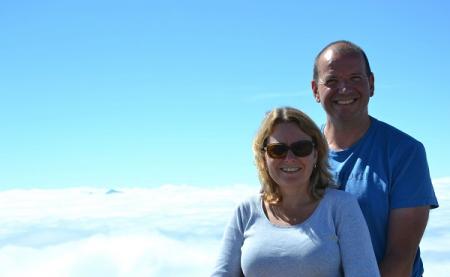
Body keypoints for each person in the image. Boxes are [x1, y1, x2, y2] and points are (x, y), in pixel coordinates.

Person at [310, 40, 439, 277]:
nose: (345, 89)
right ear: (315, 91)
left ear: (371, 84)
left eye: (355, 78)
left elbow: (400, 259)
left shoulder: (404, 152)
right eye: (332, 81)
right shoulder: (300, 153)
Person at [211, 107, 380, 277]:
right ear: (264, 158)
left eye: (301, 148)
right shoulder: (246, 211)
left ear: (316, 154)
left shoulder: (340, 206)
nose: (290, 158)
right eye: (277, 150)